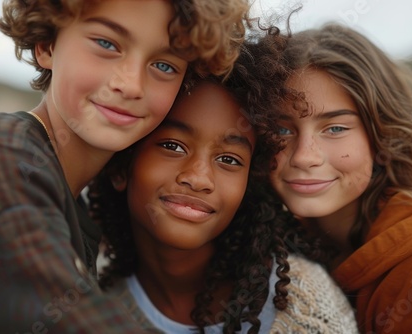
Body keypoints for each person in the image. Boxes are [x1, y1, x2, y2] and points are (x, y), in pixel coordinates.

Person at [0, 0, 251, 332]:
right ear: (46, 45)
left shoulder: (72, 203)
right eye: (106, 44)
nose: (131, 85)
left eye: (164, 65)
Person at [87, 67, 358, 332]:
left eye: (228, 159)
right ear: (122, 166)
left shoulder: (305, 306)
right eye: (173, 146)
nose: (199, 179)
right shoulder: (90, 297)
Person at [261, 23, 412, 333]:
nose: (304, 156)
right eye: (281, 130)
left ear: (381, 137)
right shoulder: (274, 238)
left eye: (335, 129)